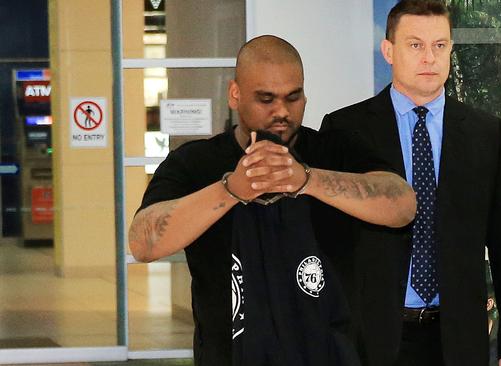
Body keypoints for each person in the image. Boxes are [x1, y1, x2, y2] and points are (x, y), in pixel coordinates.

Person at [128, 35, 416, 366]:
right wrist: (230, 190)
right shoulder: (195, 163)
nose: (282, 111)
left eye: (293, 98)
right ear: (235, 94)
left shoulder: (334, 150)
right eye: (266, 99)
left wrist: (307, 179)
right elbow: (142, 243)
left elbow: (403, 206)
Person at [320, 1, 501, 365]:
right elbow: (326, 245)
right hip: (370, 340)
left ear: (451, 50)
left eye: (440, 45)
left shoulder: (485, 134)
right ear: (388, 51)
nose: (429, 58)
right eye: (415, 45)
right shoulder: (346, 131)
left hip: (458, 339)